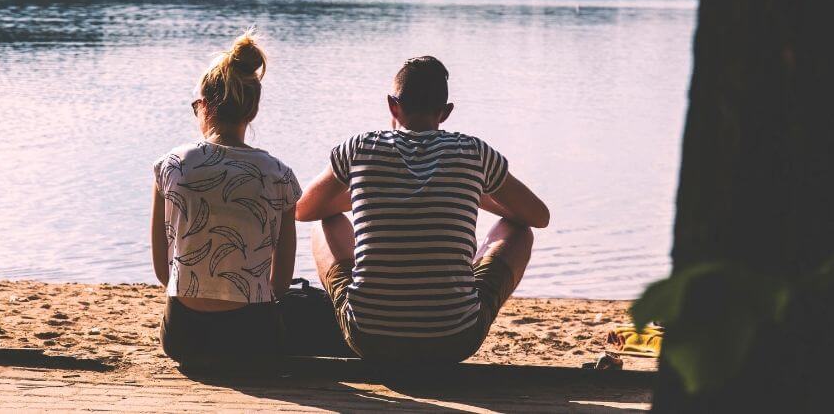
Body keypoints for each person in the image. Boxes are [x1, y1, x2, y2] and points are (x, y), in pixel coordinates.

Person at [295, 56, 550, 364]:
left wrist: (372, 188)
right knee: (518, 229)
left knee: (325, 221)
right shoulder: (473, 152)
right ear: (445, 113)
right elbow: (538, 217)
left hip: (369, 337)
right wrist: (472, 189)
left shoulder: (360, 147)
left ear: (392, 106)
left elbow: (304, 210)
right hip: (456, 339)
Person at [151, 30, 300, 369]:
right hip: (252, 339)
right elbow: (280, 283)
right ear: (253, 110)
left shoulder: (171, 165)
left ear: (203, 106)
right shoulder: (280, 175)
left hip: (183, 336)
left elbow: (164, 272)